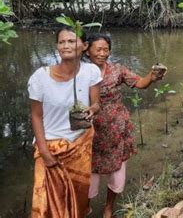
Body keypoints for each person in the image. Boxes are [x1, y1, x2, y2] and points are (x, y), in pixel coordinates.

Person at [86, 33, 166, 218]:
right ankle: (85, 207)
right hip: (90, 133)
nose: (102, 53)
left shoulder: (117, 70)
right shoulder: (79, 72)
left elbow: (139, 83)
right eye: (98, 49)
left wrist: (152, 76)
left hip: (117, 129)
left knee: (117, 173)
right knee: (88, 175)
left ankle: (108, 207)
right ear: (86, 50)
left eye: (106, 49)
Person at [28, 26, 102, 217]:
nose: (66, 46)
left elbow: (96, 104)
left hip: (79, 144)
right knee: (45, 204)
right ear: (57, 46)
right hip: (50, 147)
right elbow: (36, 115)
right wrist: (44, 152)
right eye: (62, 42)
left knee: (77, 198)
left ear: (84, 46)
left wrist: (92, 110)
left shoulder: (91, 71)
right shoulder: (40, 77)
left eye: (71, 41)